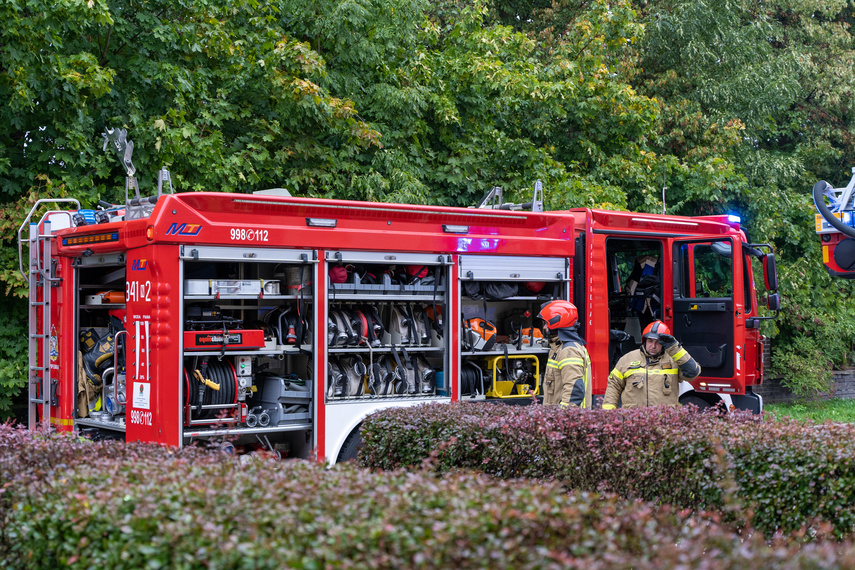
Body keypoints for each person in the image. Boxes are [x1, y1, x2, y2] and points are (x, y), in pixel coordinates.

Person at [602, 320, 701, 409]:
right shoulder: (627, 359)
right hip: (633, 421)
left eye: (657, 342)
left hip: (663, 422)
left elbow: (693, 372)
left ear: (665, 343)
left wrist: (675, 348)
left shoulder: (673, 360)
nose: (653, 346)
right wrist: (608, 415)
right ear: (644, 340)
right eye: (650, 341)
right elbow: (614, 385)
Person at [537, 300, 592, 408]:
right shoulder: (559, 347)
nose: (544, 327)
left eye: (546, 323)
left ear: (556, 322)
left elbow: (574, 392)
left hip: (567, 420)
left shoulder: (569, 351)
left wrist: (562, 417)